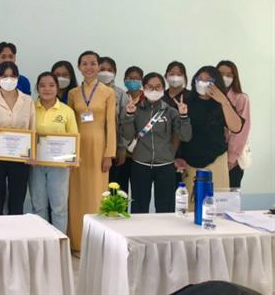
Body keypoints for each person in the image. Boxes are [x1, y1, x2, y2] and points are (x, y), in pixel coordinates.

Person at [121, 72, 192, 213]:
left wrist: (184, 116)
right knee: (139, 208)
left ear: (163, 89)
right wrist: (129, 115)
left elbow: (185, 137)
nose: (154, 90)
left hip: (165, 165)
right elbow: (127, 135)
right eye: (150, 87)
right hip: (140, 164)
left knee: (165, 209)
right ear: (144, 88)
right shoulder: (136, 110)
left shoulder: (171, 112)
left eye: (158, 87)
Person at [67, 51, 116, 253]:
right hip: (78, 147)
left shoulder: (108, 92)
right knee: (76, 194)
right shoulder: (73, 93)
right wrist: (69, 152)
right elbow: (69, 124)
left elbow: (111, 124)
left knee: (97, 194)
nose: (89, 67)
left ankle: (96, 245)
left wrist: (109, 153)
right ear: (79, 67)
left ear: (98, 66)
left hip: (99, 146)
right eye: (85, 64)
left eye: (93, 63)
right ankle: (77, 242)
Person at [175, 66, 244, 206]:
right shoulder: (186, 101)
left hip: (216, 159)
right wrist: (175, 156)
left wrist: (223, 101)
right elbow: (177, 133)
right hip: (190, 161)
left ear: (216, 83)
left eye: (208, 80)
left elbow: (236, 127)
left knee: (217, 205)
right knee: (191, 206)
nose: (203, 82)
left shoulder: (222, 103)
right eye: (200, 79)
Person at [0, 61, 36, 215]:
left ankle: (16, 230)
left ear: (18, 78)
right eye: (4, 76)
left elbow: (32, 128)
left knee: (17, 200)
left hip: (20, 158)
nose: (8, 79)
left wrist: (31, 152)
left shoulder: (28, 100)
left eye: (12, 76)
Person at [29, 72, 78, 233]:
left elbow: (74, 137)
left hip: (59, 166)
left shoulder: (66, 111)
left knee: (59, 207)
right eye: (42, 85)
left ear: (57, 88)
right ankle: (42, 242)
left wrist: (73, 158)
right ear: (37, 88)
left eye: (51, 85)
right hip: (35, 164)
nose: (47, 89)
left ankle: (59, 243)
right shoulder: (30, 108)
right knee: (38, 206)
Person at [99, 57, 131, 195]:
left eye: (109, 70)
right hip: (92, 148)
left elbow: (125, 122)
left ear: (115, 73)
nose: (106, 73)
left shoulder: (120, 94)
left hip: (113, 150)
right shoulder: (85, 93)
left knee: (113, 188)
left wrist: (122, 148)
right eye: (102, 69)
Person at [217, 60, 251, 189]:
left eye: (229, 75)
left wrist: (232, 157)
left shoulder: (241, 98)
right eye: (221, 73)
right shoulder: (209, 97)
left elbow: (242, 131)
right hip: (212, 155)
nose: (224, 77)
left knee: (229, 195)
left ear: (234, 77)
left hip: (232, 159)